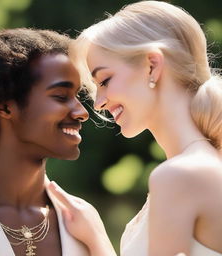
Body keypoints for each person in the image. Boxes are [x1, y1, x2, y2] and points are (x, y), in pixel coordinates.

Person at [48, 1, 222, 256]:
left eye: (105, 81)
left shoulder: (179, 176)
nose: (99, 103)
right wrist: (96, 236)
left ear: (152, 65)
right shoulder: (198, 166)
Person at [0, 28, 91, 256]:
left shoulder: (83, 219)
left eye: (78, 97)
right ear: (4, 105)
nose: (82, 112)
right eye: (62, 96)